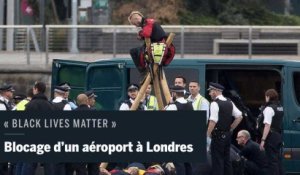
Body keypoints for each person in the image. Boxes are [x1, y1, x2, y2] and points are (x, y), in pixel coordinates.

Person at [206, 82, 243, 175]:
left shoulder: (215, 103)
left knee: (217, 162)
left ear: (215, 91)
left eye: (210, 91)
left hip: (217, 136)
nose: (209, 93)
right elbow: (239, 116)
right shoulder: (229, 101)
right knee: (227, 161)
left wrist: (207, 135)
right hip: (227, 136)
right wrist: (231, 128)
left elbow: (213, 121)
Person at [23, 81, 55, 175]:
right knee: (49, 166)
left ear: (36, 89)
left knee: (29, 166)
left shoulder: (30, 105)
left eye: (34, 88)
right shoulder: (50, 106)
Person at [257, 89, 284, 175]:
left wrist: (263, 140)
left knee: (271, 161)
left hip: (271, 136)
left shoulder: (269, 108)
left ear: (268, 97)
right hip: (277, 135)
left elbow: (267, 125)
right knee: (277, 160)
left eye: (266, 96)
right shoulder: (280, 107)